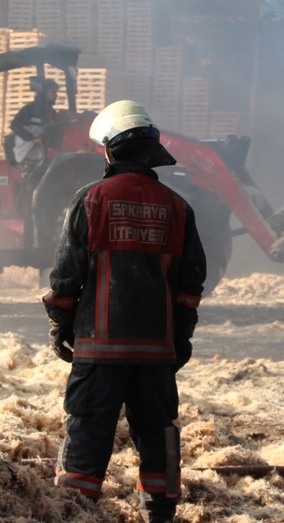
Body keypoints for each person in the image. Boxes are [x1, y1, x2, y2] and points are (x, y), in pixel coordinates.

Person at [43, 100, 206, 523]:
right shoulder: (177, 206)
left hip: (99, 349)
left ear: (110, 150)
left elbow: (66, 276)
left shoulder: (92, 199)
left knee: (87, 431)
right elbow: (191, 284)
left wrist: (60, 326)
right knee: (159, 434)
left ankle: (77, 513)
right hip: (156, 351)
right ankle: (161, 514)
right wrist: (180, 336)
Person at [9, 77, 59, 165]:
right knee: (57, 156)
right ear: (43, 93)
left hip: (39, 148)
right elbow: (14, 125)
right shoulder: (30, 109)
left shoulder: (50, 111)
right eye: (53, 92)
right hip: (26, 152)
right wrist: (33, 138)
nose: (56, 95)